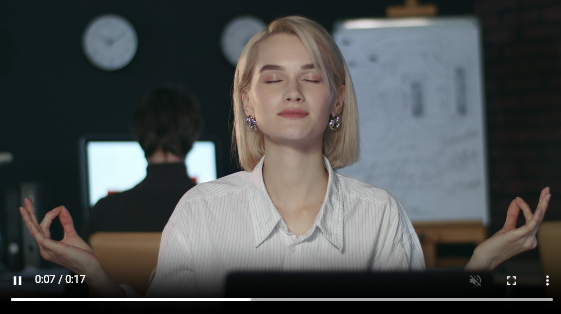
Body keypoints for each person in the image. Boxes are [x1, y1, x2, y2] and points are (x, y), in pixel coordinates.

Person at [19, 16, 551, 298]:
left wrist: (477, 270)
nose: (292, 92)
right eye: (272, 79)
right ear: (248, 101)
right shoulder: (201, 212)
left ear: (336, 100)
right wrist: (96, 278)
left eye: (311, 77)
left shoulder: (380, 214)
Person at [82, 86, 203, 243]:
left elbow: (80, 266)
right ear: (193, 136)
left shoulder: (105, 212)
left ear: (139, 135)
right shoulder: (221, 207)